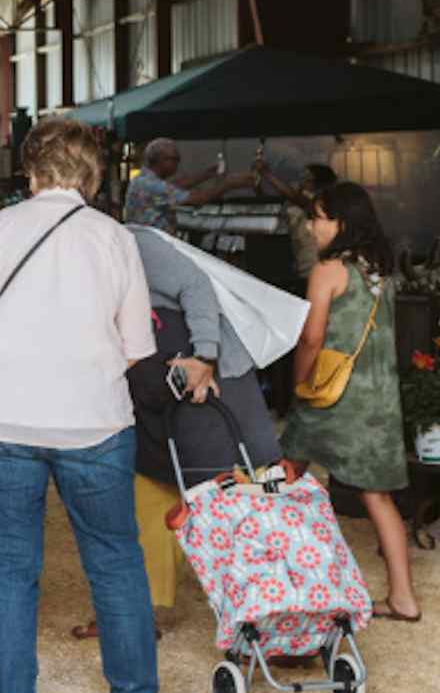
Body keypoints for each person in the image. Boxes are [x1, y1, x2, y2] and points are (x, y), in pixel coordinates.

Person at [0, 117, 160, 693]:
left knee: (11, 566)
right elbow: (135, 346)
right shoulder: (115, 238)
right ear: (93, 177)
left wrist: (12, 376)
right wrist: (80, 376)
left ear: (31, 173)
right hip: (93, 421)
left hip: (1, 419)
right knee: (115, 562)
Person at [70, 226, 288, 639]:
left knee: (240, 490)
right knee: (148, 489)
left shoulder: (130, 240)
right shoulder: (63, 264)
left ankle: (280, 611)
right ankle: (136, 612)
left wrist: (205, 354)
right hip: (154, 390)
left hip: (209, 377)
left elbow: (195, 285)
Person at [282, 181, 419, 622]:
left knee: (287, 477)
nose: (310, 225)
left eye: (318, 217)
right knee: (378, 499)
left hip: (331, 397)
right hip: (377, 399)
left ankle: (280, 584)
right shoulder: (379, 270)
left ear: (341, 222)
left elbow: (312, 337)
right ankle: (403, 597)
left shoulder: (328, 269)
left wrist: (297, 382)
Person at [122, 137, 255, 233]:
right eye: (175, 159)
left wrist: (207, 174)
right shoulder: (152, 185)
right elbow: (197, 200)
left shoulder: (143, 179)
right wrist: (228, 184)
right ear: (161, 160)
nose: (177, 164)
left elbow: (175, 185)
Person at [256, 161, 339, 279]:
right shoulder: (295, 202)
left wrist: (267, 174)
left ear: (318, 183)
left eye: (308, 179)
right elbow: (271, 204)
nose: (303, 182)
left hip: (314, 263)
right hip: (299, 260)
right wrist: (257, 185)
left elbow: (294, 197)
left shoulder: (319, 203)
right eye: (302, 178)